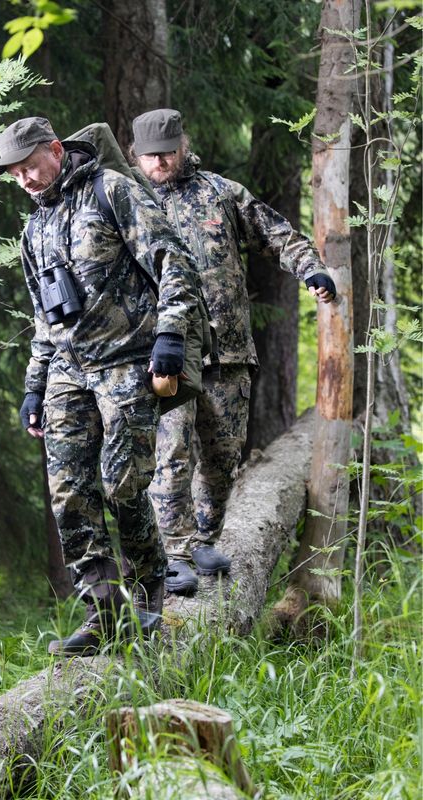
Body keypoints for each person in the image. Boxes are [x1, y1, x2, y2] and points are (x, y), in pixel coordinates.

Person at [0, 116, 201, 654]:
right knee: (68, 492)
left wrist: (171, 338)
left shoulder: (110, 191)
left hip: (129, 359)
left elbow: (174, 261)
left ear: (56, 150)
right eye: (14, 173)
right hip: (67, 368)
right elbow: (45, 318)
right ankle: (103, 612)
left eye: (30, 166)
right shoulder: (33, 228)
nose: (25, 179)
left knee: (123, 482)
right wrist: (34, 387)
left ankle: (150, 592)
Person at [130, 108, 336, 596]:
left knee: (222, 455)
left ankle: (204, 537)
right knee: (172, 450)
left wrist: (311, 269)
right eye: (150, 156)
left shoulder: (220, 193)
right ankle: (174, 553)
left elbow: (275, 233)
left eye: (167, 153)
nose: (160, 163)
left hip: (228, 352)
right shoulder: (129, 203)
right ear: (136, 158)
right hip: (168, 354)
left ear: (183, 147)